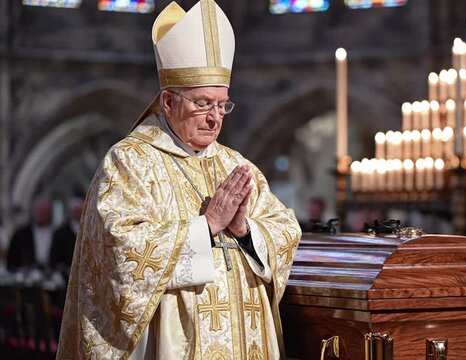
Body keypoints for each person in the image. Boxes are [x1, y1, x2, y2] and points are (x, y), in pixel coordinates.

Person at [56, 1, 302, 359]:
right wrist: (207, 226)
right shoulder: (130, 163)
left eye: (222, 105)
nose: (215, 118)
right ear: (168, 102)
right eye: (203, 103)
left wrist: (245, 229)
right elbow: (119, 253)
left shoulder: (236, 165)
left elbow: (286, 230)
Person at [7, 197, 53, 271]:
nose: (41, 214)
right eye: (38, 211)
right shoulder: (20, 235)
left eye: (43, 211)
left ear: (49, 213)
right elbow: (12, 261)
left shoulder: (58, 235)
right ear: (33, 212)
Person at [49, 197, 84, 271]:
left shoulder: (90, 231)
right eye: (75, 211)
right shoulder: (60, 233)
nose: (77, 214)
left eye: (79, 211)